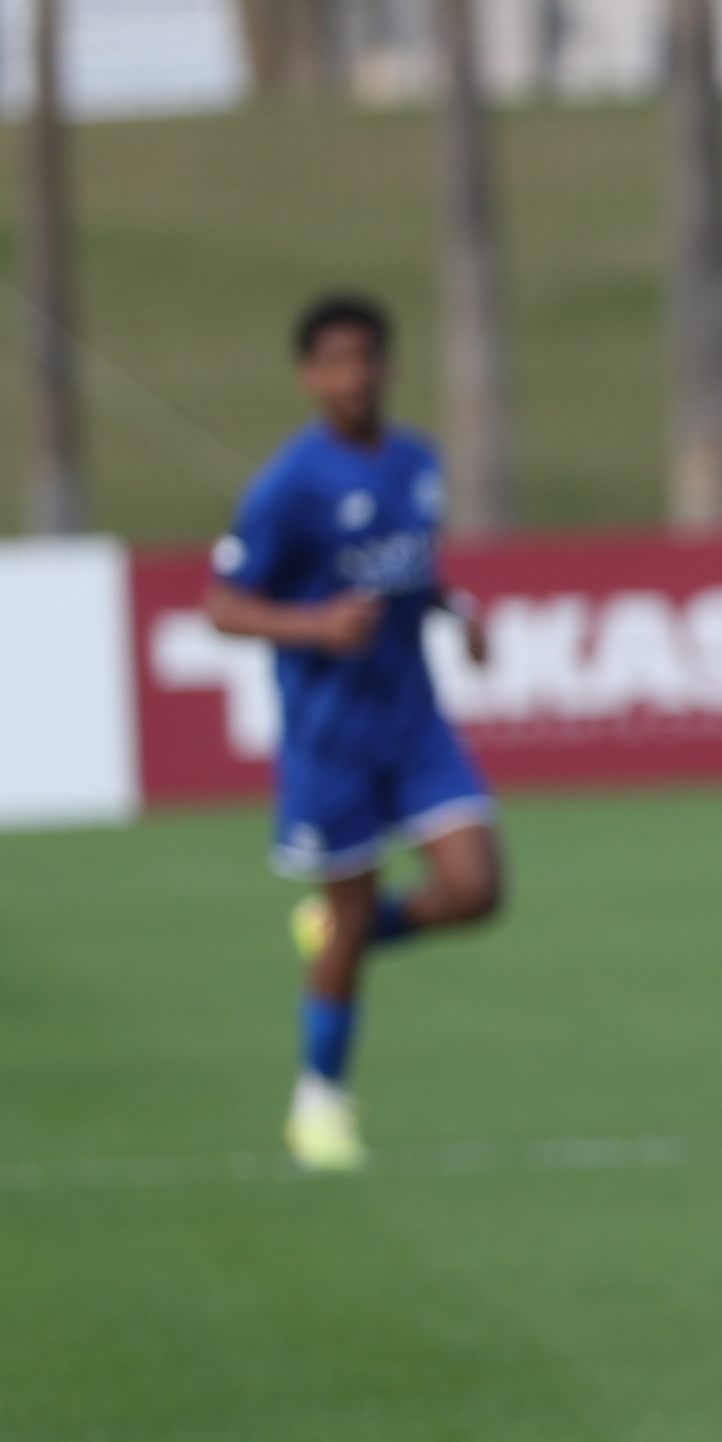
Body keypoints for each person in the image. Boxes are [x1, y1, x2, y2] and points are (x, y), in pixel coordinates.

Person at [199, 292, 502, 1174]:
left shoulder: (417, 461)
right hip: (330, 738)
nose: (353, 376)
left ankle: (337, 929)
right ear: (308, 377)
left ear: (387, 365)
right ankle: (319, 1103)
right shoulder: (290, 484)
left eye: (365, 357)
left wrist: (458, 609)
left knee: (477, 890)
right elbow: (222, 606)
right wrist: (314, 626)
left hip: (414, 725)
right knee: (352, 907)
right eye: (334, 362)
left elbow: (411, 568)